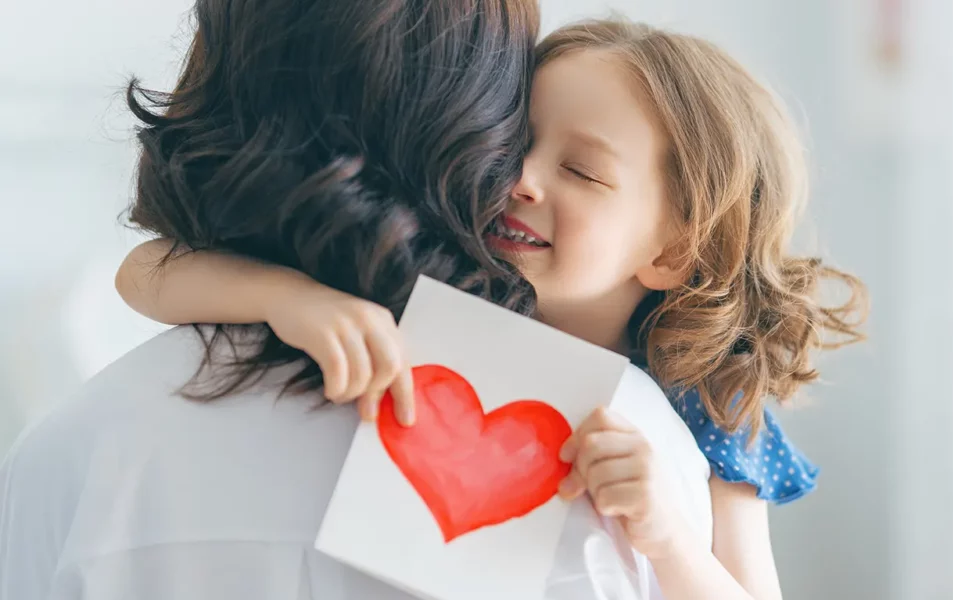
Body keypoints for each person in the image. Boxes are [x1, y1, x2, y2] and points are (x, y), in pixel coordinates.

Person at [113, 18, 870, 599]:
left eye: (579, 170)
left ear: (673, 253)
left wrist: (669, 539)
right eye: (512, 146)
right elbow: (142, 271)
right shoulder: (434, 288)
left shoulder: (715, 405)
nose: (523, 181)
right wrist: (287, 299)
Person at [0, 0, 548, 598]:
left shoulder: (68, 455)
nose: (530, 180)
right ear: (482, 129)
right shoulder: (604, 445)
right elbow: (138, 273)